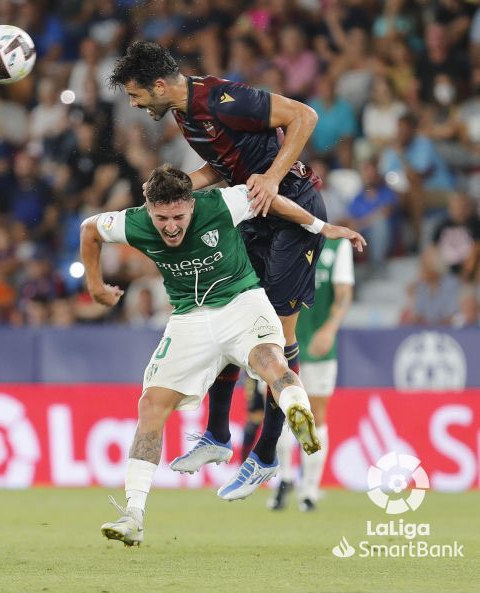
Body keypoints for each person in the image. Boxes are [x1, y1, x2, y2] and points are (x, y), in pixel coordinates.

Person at [83, 165, 365, 546]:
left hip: (242, 303)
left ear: (191, 205)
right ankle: (134, 515)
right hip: (188, 319)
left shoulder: (220, 203)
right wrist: (95, 284)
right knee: (150, 405)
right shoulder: (132, 223)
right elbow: (90, 229)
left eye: (179, 216)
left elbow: (274, 201)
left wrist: (320, 227)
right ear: (148, 208)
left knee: (270, 361)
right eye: (161, 218)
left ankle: (297, 413)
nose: (170, 226)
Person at [109, 41, 327, 482]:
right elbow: (225, 166)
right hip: (255, 211)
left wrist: (272, 175)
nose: (133, 104)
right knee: (230, 309)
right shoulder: (184, 112)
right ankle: (217, 434)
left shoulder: (222, 99)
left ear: (157, 85)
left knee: (278, 334)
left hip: (291, 214)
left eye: (135, 95)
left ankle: (265, 454)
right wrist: (178, 190)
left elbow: (304, 115)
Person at [269, 236, 354, 512]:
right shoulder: (277, 236)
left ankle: (309, 489)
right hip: (281, 344)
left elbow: (343, 294)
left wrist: (330, 329)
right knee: (281, 412)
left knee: (316, 415)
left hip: (318, 345)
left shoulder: (336, 246)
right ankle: (285, 480)